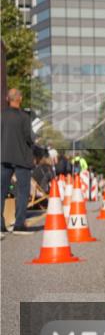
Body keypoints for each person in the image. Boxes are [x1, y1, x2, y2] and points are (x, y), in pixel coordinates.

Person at [1, 88, 35, 234]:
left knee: (1, 190)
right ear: (19, 98)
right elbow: (29, 138)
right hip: (22, 158)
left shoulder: (1, 115)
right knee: (22, 191)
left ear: (7, 99)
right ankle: (19, 224)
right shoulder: (25, 117)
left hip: (3, 157)